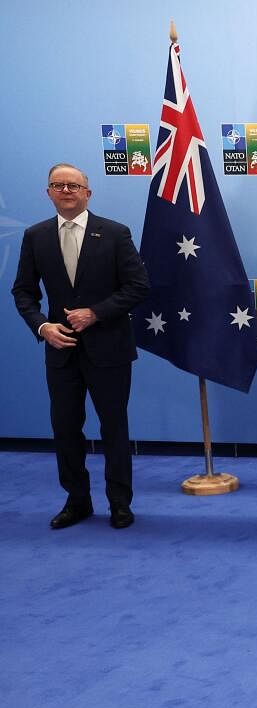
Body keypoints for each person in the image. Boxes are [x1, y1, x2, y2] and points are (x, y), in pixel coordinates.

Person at [12, 164, 150, 530]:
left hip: (110, 348)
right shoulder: (35, 236)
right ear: (49, 193)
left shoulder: (116, 233)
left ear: (88, 193)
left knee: (114, 428)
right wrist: (42, 326)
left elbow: (138, 287)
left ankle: (120, 503)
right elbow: (23, 292)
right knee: (65, 427)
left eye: (74, 185)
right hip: (60, 350)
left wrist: (96, 313)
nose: (67, 190)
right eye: (59, 185)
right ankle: (77, 501)